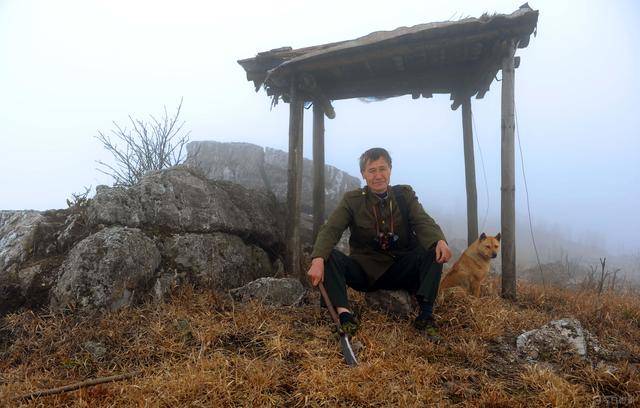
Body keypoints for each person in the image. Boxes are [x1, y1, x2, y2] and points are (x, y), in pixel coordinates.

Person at [307, 147, 452, 339]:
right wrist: (317, 259)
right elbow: (331, 229)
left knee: (433, 249)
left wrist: (439, 240)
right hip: (365, 273)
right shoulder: (353, 201)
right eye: (372, 170)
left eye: (382, 169)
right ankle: (345, 316)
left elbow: (422, 220)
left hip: (401, 269)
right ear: (363, 175)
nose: (378, 176)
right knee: (328, 257)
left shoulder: (404, 196)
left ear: (390, 169)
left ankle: (425, 317)